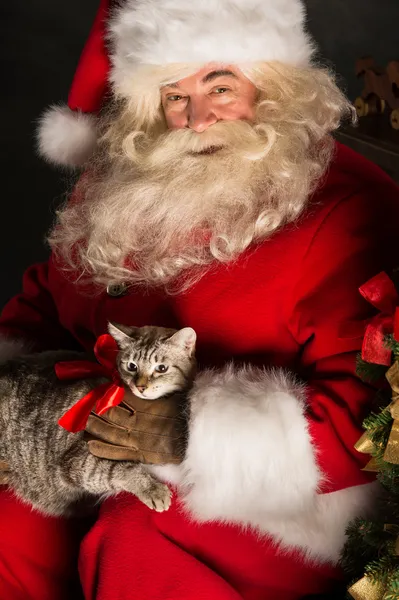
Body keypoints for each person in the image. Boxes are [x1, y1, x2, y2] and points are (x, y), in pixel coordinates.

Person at [1, 0, 399, 598]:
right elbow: (45, 303)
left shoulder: (346, 208)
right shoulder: (125, 185)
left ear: (270, 84)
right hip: (96, 443)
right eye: (174, 94)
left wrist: (189, 437)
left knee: (137, 531)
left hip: (291, 501)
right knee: (11, 516)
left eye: (220, 84)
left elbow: (375, 416)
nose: (198, 118)